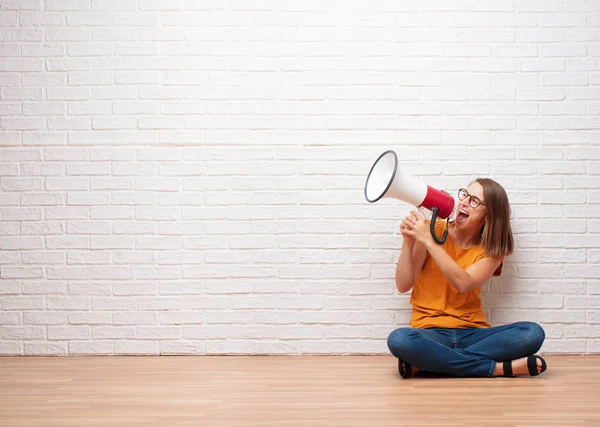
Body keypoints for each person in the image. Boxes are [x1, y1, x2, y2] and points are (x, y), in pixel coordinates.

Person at [387, 178, 547, 378]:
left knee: (532, 332)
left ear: (489, 216)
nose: (462, 202)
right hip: (428, 331)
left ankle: (430, 363)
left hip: (473, 333)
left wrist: (429, 242)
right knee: (400, 339)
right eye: (465, 195)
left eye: (474, 201)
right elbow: (403, 285)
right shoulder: (434, 230)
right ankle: (497, 369)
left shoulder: (492, 252)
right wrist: (408, 241)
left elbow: (463, 283)